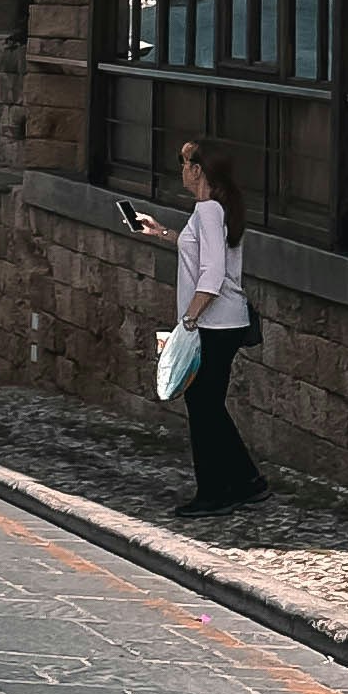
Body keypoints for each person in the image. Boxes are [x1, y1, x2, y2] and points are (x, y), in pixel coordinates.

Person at [129, 139, 269, 517]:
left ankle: (215, 493)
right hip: (226, 322)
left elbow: (212, 274)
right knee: (208, 406)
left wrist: (188, 322)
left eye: (185, 161)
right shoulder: (214, 210)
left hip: (214, 324)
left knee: (203, 407)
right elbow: (203, 254)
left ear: (199, 169)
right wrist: (161, 233)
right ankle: (246, 481)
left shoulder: (209, 210)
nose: (181, 168)